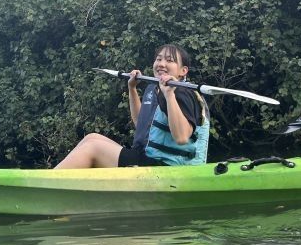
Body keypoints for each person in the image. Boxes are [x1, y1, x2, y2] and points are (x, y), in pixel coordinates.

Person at [55, 44, 210, 168]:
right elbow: (139, 123)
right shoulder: (154, 87)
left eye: (169, 60)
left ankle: (49, 183)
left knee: (93, 147)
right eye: (159, 59)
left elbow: (182, 137)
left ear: (183, 71)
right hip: (144, 156)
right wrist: (132, 88)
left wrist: (169, 95)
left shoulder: (184, 93)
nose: (162, 64)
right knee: (91, 137)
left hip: (166, 166)